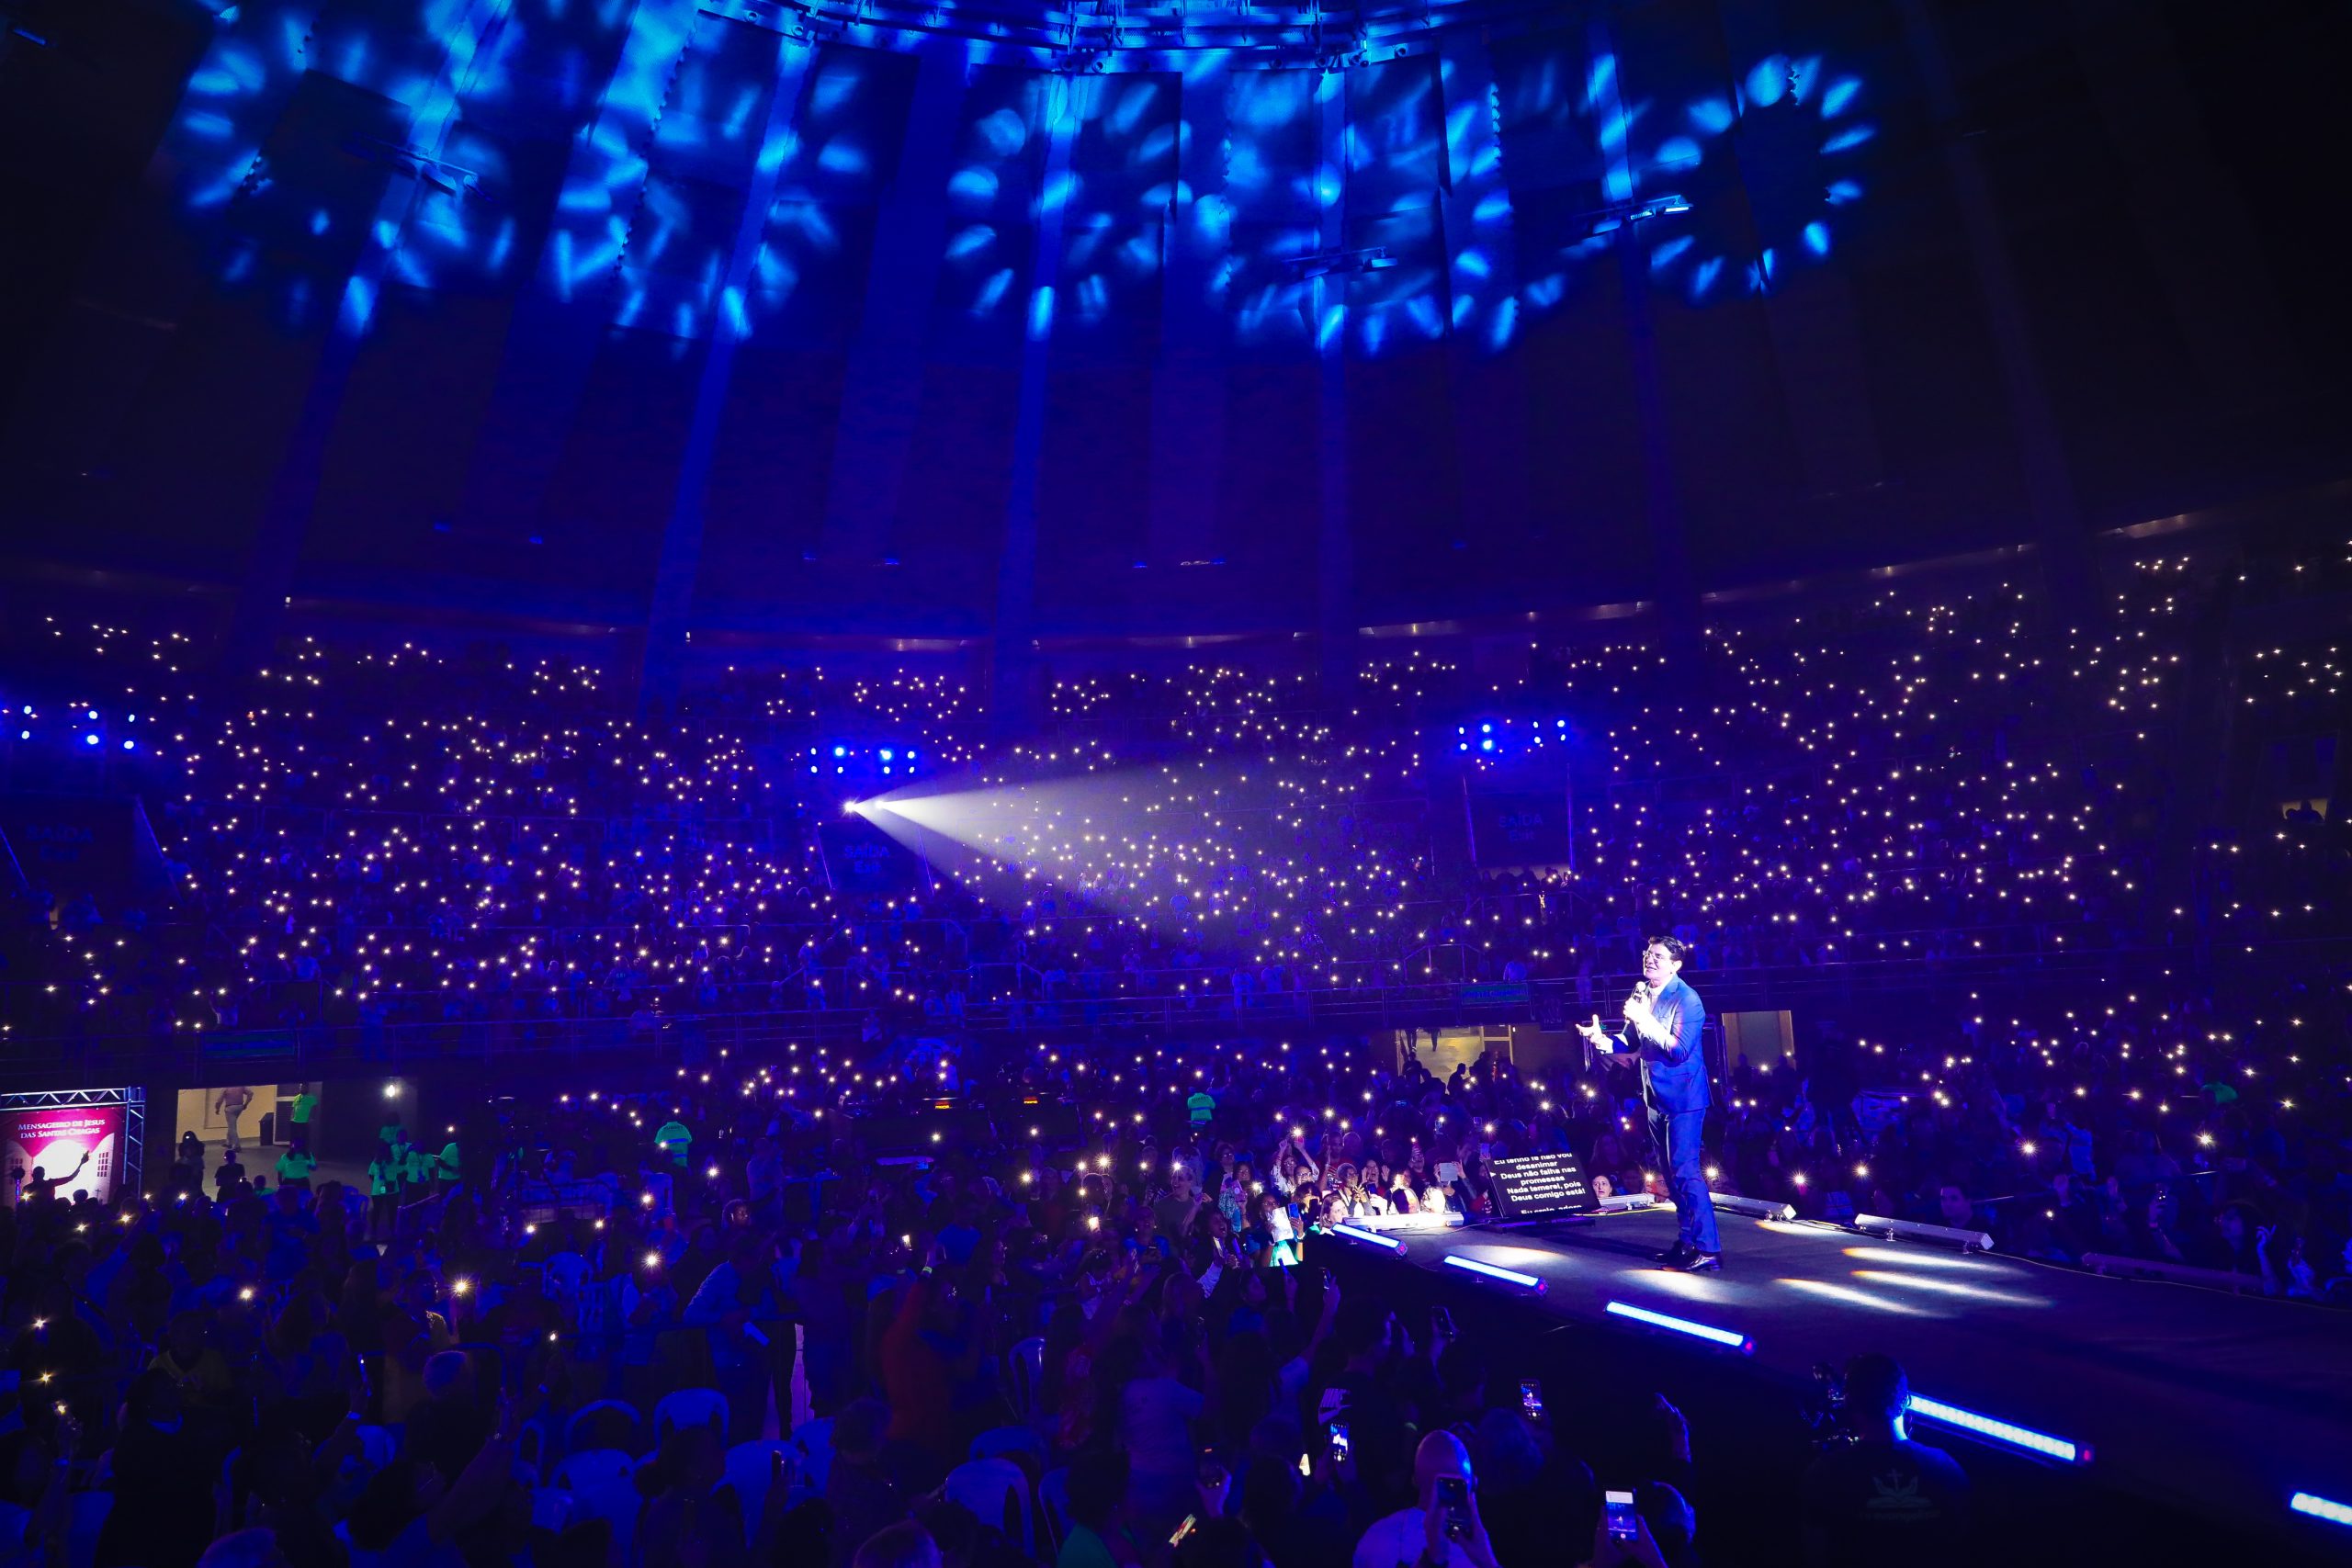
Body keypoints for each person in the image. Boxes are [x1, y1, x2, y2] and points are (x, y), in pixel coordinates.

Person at [1580, 936, 1719, 1271]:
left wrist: (1644, 1019)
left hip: (1685, 1097)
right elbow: (1629, 1040)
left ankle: (1709, 1249)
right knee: (1670, 1173)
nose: (1650, 959)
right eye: (1647, 953)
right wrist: (1602, 1040)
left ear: (1675, 964)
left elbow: (1678, 1050)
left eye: (1658, 955)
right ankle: (1687, 1241)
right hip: (1655, 1096)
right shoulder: (1641, 992)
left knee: (1685, 1171)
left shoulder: (1687, 999)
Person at [1800, 1354, 1972, 1568]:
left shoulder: (1826, 1472)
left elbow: (1815, 1553)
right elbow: (1961, 1543)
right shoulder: (1945, 1468)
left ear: (1849, 1402)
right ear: (1906, 1400)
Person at [1351, 1430, 1503, 1568]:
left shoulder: (1374, 1537)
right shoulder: (1482, 1552)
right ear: (1472, 1484)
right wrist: (1489, 1562)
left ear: (1414, 1480)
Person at [214, 1085, 254, 1154]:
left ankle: (236, 1146)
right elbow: (250, 1093)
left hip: (230, 1108)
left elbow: (219, 1100)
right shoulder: (241, 1086)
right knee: (231, 1125)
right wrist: (246, 1104)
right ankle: (228, 1142)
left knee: (232, 1127)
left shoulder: (225, 1087)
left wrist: (217, 1109)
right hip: (240, 1107)